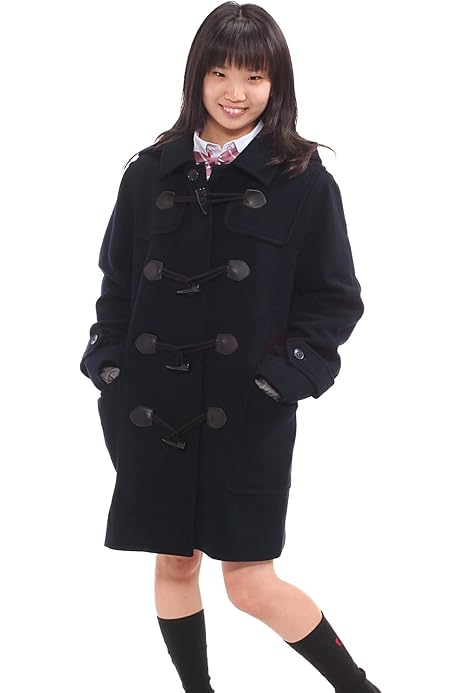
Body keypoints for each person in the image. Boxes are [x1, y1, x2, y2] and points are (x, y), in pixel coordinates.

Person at [79, 2, 381, 692]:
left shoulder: (304, 181)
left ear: (277, 83)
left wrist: (281, 381)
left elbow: (335, 299)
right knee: (174, 562)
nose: (235, 92)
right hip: (151, 408)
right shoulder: (148, 173)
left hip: (247, 411)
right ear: (197, 77)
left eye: (253, 75)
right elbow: (117, 284)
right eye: (219, 73)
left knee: (250, 580)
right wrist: (110, 366)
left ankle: (360, 688)